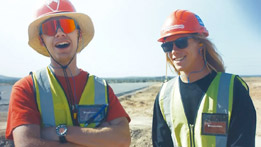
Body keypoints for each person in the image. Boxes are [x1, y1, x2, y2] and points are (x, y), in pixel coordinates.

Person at [5, 0, 131, 146]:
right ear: (41, 40)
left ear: (79, 34)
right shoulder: (26, 88)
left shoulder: (101, 88)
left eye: (67, 25)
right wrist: (99, 139)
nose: (59, 33)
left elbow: (123, 139)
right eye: (50, 28)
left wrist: (62, 132)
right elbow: (27, 144)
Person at [152, 9, 256, 147]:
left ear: (200, 42)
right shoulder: (164, 96)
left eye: (181, 42)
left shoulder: (233, 88)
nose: (174, 51)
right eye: (168, 46)